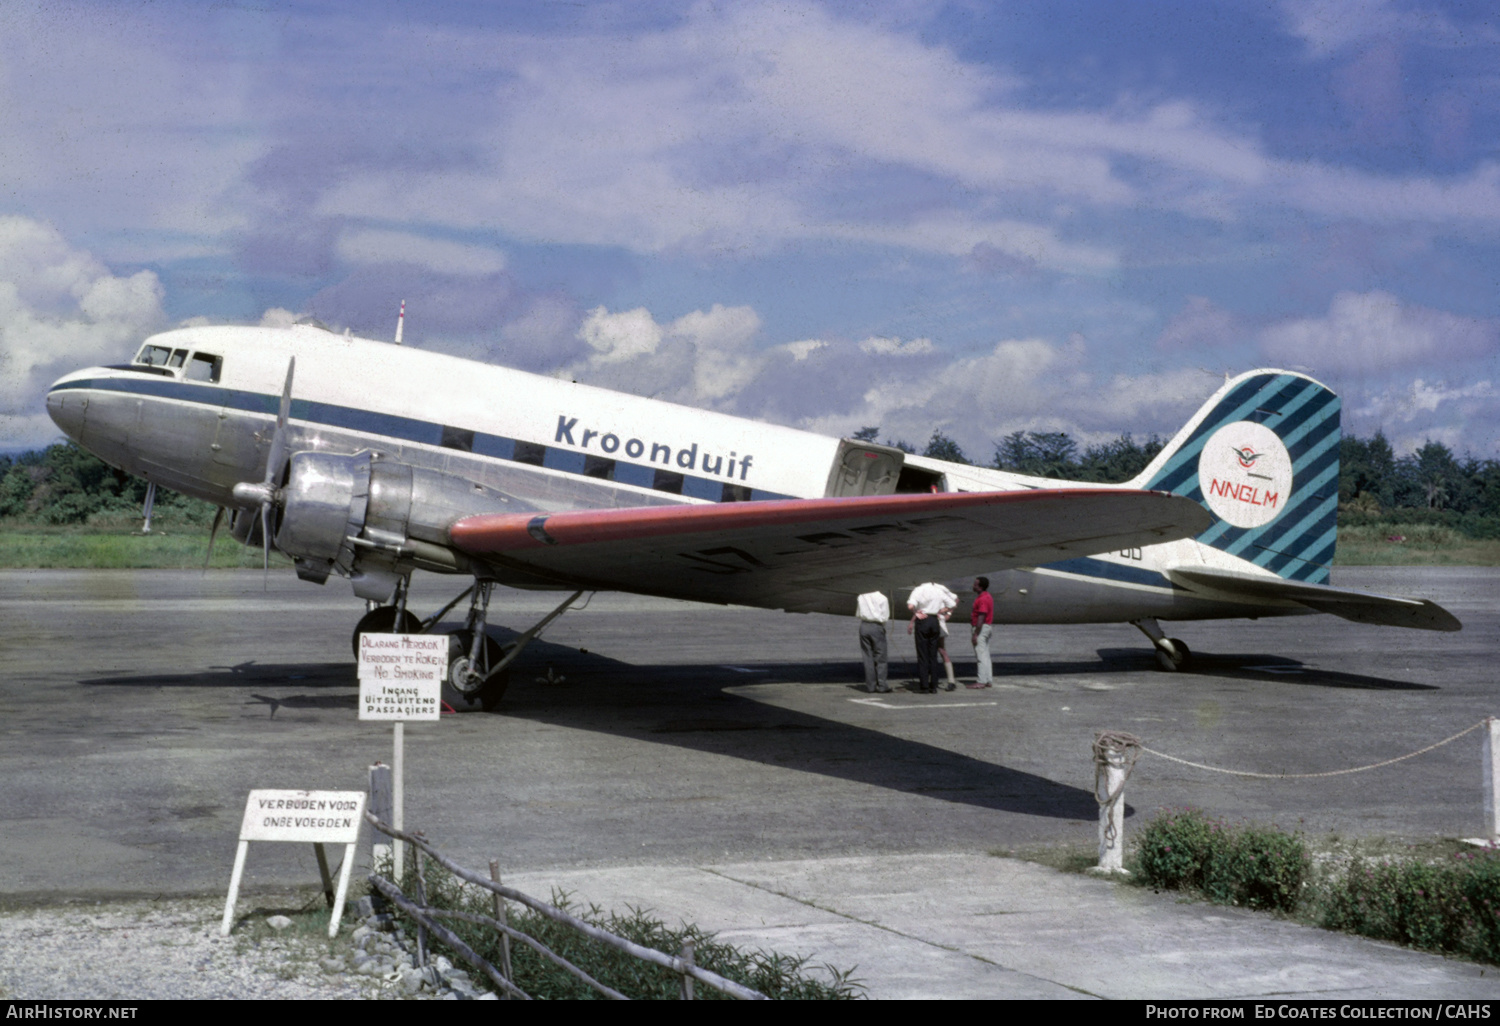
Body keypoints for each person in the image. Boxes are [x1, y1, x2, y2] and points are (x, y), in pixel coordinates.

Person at [906, 581, 956, 693]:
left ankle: (924, 686)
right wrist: (944, 611)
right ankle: (933, 686)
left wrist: (916, 613)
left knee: (923, 654)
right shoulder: (938, 590)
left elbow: (910, 606)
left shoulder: (918, 590)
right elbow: (952, 604)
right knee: (933, 655)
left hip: (923, 620)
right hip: (934, 620)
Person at [855, 591, 891, 693]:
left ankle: (871, 686)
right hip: (876, 625)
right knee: (881, 656)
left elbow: (858, 613)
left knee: (867, 656)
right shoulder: (883, 598)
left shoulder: (861, 596)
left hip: (864, 625)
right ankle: (882, 685)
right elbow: (885, 617)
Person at [968, 576, 994, 688]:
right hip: (986, 627)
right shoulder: (988, 596)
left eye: (975, 584)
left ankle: (981, 681)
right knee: (985, 655)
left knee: (980, 656)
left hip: (981, 628)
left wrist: (975, 634)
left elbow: (981, 617)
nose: (973, 586)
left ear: (980, 587)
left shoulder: (982, 599)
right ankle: (988, 679)